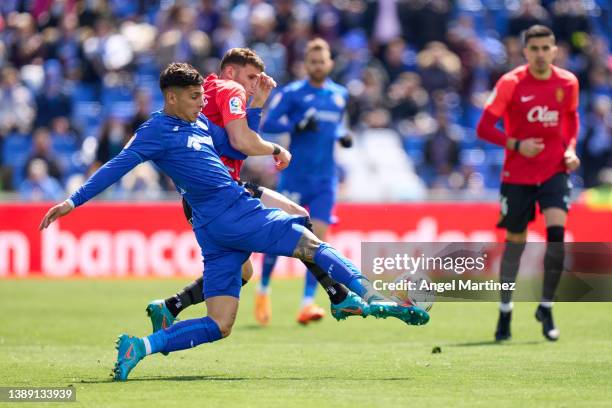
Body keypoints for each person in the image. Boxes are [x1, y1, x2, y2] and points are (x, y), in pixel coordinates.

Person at [38, 63, 430, 381]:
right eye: (193, 98)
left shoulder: (198, 125)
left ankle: (139, 347)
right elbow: (116, 167)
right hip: (232, 211)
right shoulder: (154, 131)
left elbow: (239, 144)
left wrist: (256, 105)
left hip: (215, 228)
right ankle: (370, 295)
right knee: (310, 242)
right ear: (170, 97)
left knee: (219, 324)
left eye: (202, 97)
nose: (200, 103)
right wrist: (73, 201)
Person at [145, 48, 364, 332]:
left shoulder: (212, 94)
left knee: (261, 253)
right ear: (231, 72)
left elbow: (244, 141)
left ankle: (172, 305)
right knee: (290, 229)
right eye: (251, 77)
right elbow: (242, 144)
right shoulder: (223, 91)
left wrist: (258, 102)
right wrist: (275, 143)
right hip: (216, 193)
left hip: (229, 187)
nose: (253, 84)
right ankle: (336, 295)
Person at [476, 25, 580, 342]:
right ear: (524, 52)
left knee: (557, 236)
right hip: (518, 174)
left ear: (554, 50)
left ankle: (546, 307)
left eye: (545, 48)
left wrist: (571, 148)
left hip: (554, 169)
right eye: (534, 49)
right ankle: (505, 310)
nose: (540, 54)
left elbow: (572, 118)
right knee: (515, 245)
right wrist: (517, 145)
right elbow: (483, 128)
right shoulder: (511, 83)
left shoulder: (568, 82)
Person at [257, 38, 354, 325]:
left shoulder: (340, 94)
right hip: (295, 176)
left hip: (325, 178)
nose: (317, 66)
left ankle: (307, 303)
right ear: (305, 64)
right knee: (278, 236)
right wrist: (296, 125)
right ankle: (263, 289)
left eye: (322, 61)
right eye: (312, 61)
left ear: (330, 64)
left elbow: (334, 125)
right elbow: (269, 123)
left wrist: (342, 135)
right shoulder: (293, 93)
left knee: (318, 239)